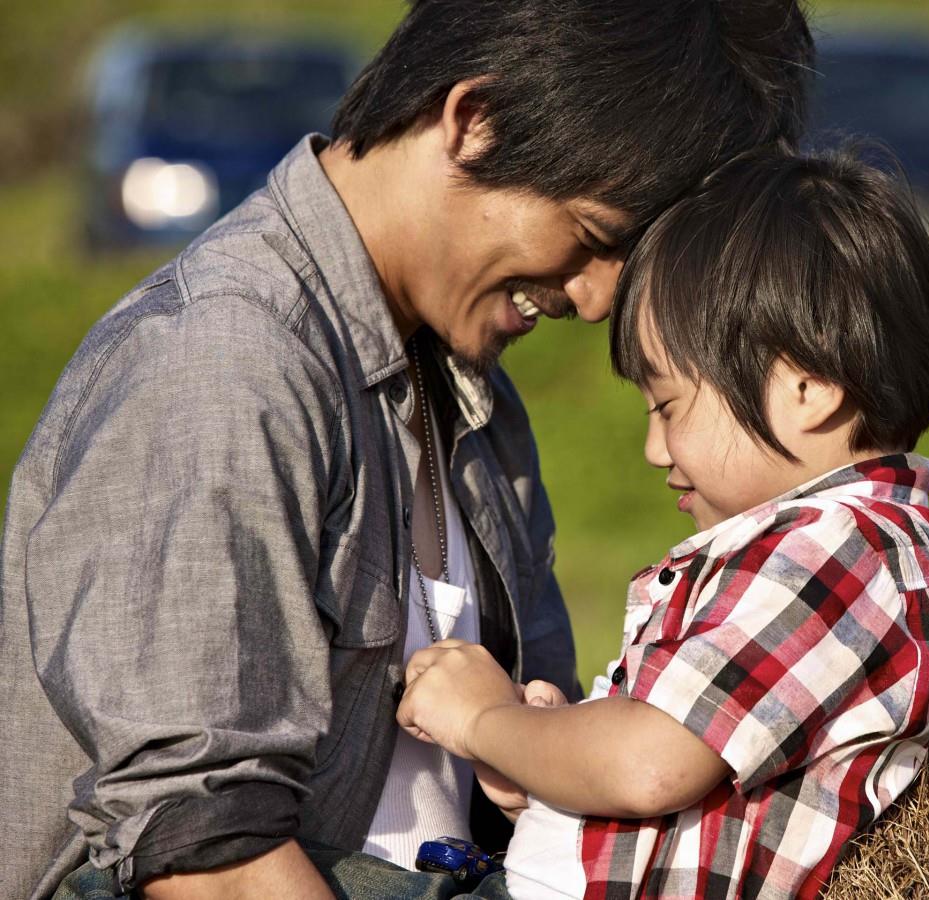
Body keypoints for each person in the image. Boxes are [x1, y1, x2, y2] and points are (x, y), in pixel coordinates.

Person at [0, 2, 815, 898]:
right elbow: (207, 864)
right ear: (475, 119)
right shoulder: (222, 369)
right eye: (591, 238)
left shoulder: (474, 403)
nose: (592, 300)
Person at [393, 148, 929, 898]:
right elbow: (675, 775)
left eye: (669, 406)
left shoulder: (839, 553)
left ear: (810, 390)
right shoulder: (813, 548)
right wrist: (551, 767)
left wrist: (483, 722)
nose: (655, 448)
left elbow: (652, 765)